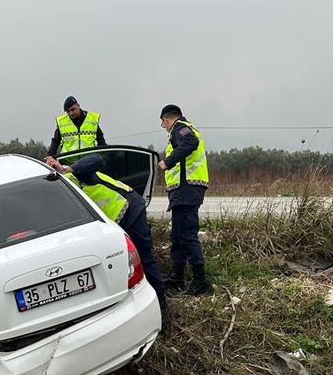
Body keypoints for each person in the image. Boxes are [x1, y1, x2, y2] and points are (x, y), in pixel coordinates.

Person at [46, 154, 169, 327]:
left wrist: (66, 168)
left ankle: (162, 306)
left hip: (130, 208)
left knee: (145, 257)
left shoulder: (75, 175)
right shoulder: (58, 201)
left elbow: (96, 159)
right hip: (113, 225)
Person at [156, 104, 212, 295]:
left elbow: (190, 143)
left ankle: (201, 282)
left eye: (163, 123)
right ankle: (177, 278)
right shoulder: (184, 128)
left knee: (187, 235)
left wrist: (167, 161)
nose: (164, 127)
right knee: (178, 236)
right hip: (182, 189)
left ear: (166, 119)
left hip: (187, 187)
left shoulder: (181, 128)